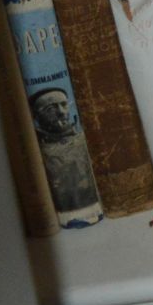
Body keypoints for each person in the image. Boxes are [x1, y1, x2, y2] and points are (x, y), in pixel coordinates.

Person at [31, 86, 98, 215]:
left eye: (64, 105)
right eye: (50, 109)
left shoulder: (87, 139)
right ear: (36, 117)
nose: (62, 112)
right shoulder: (38, 153)